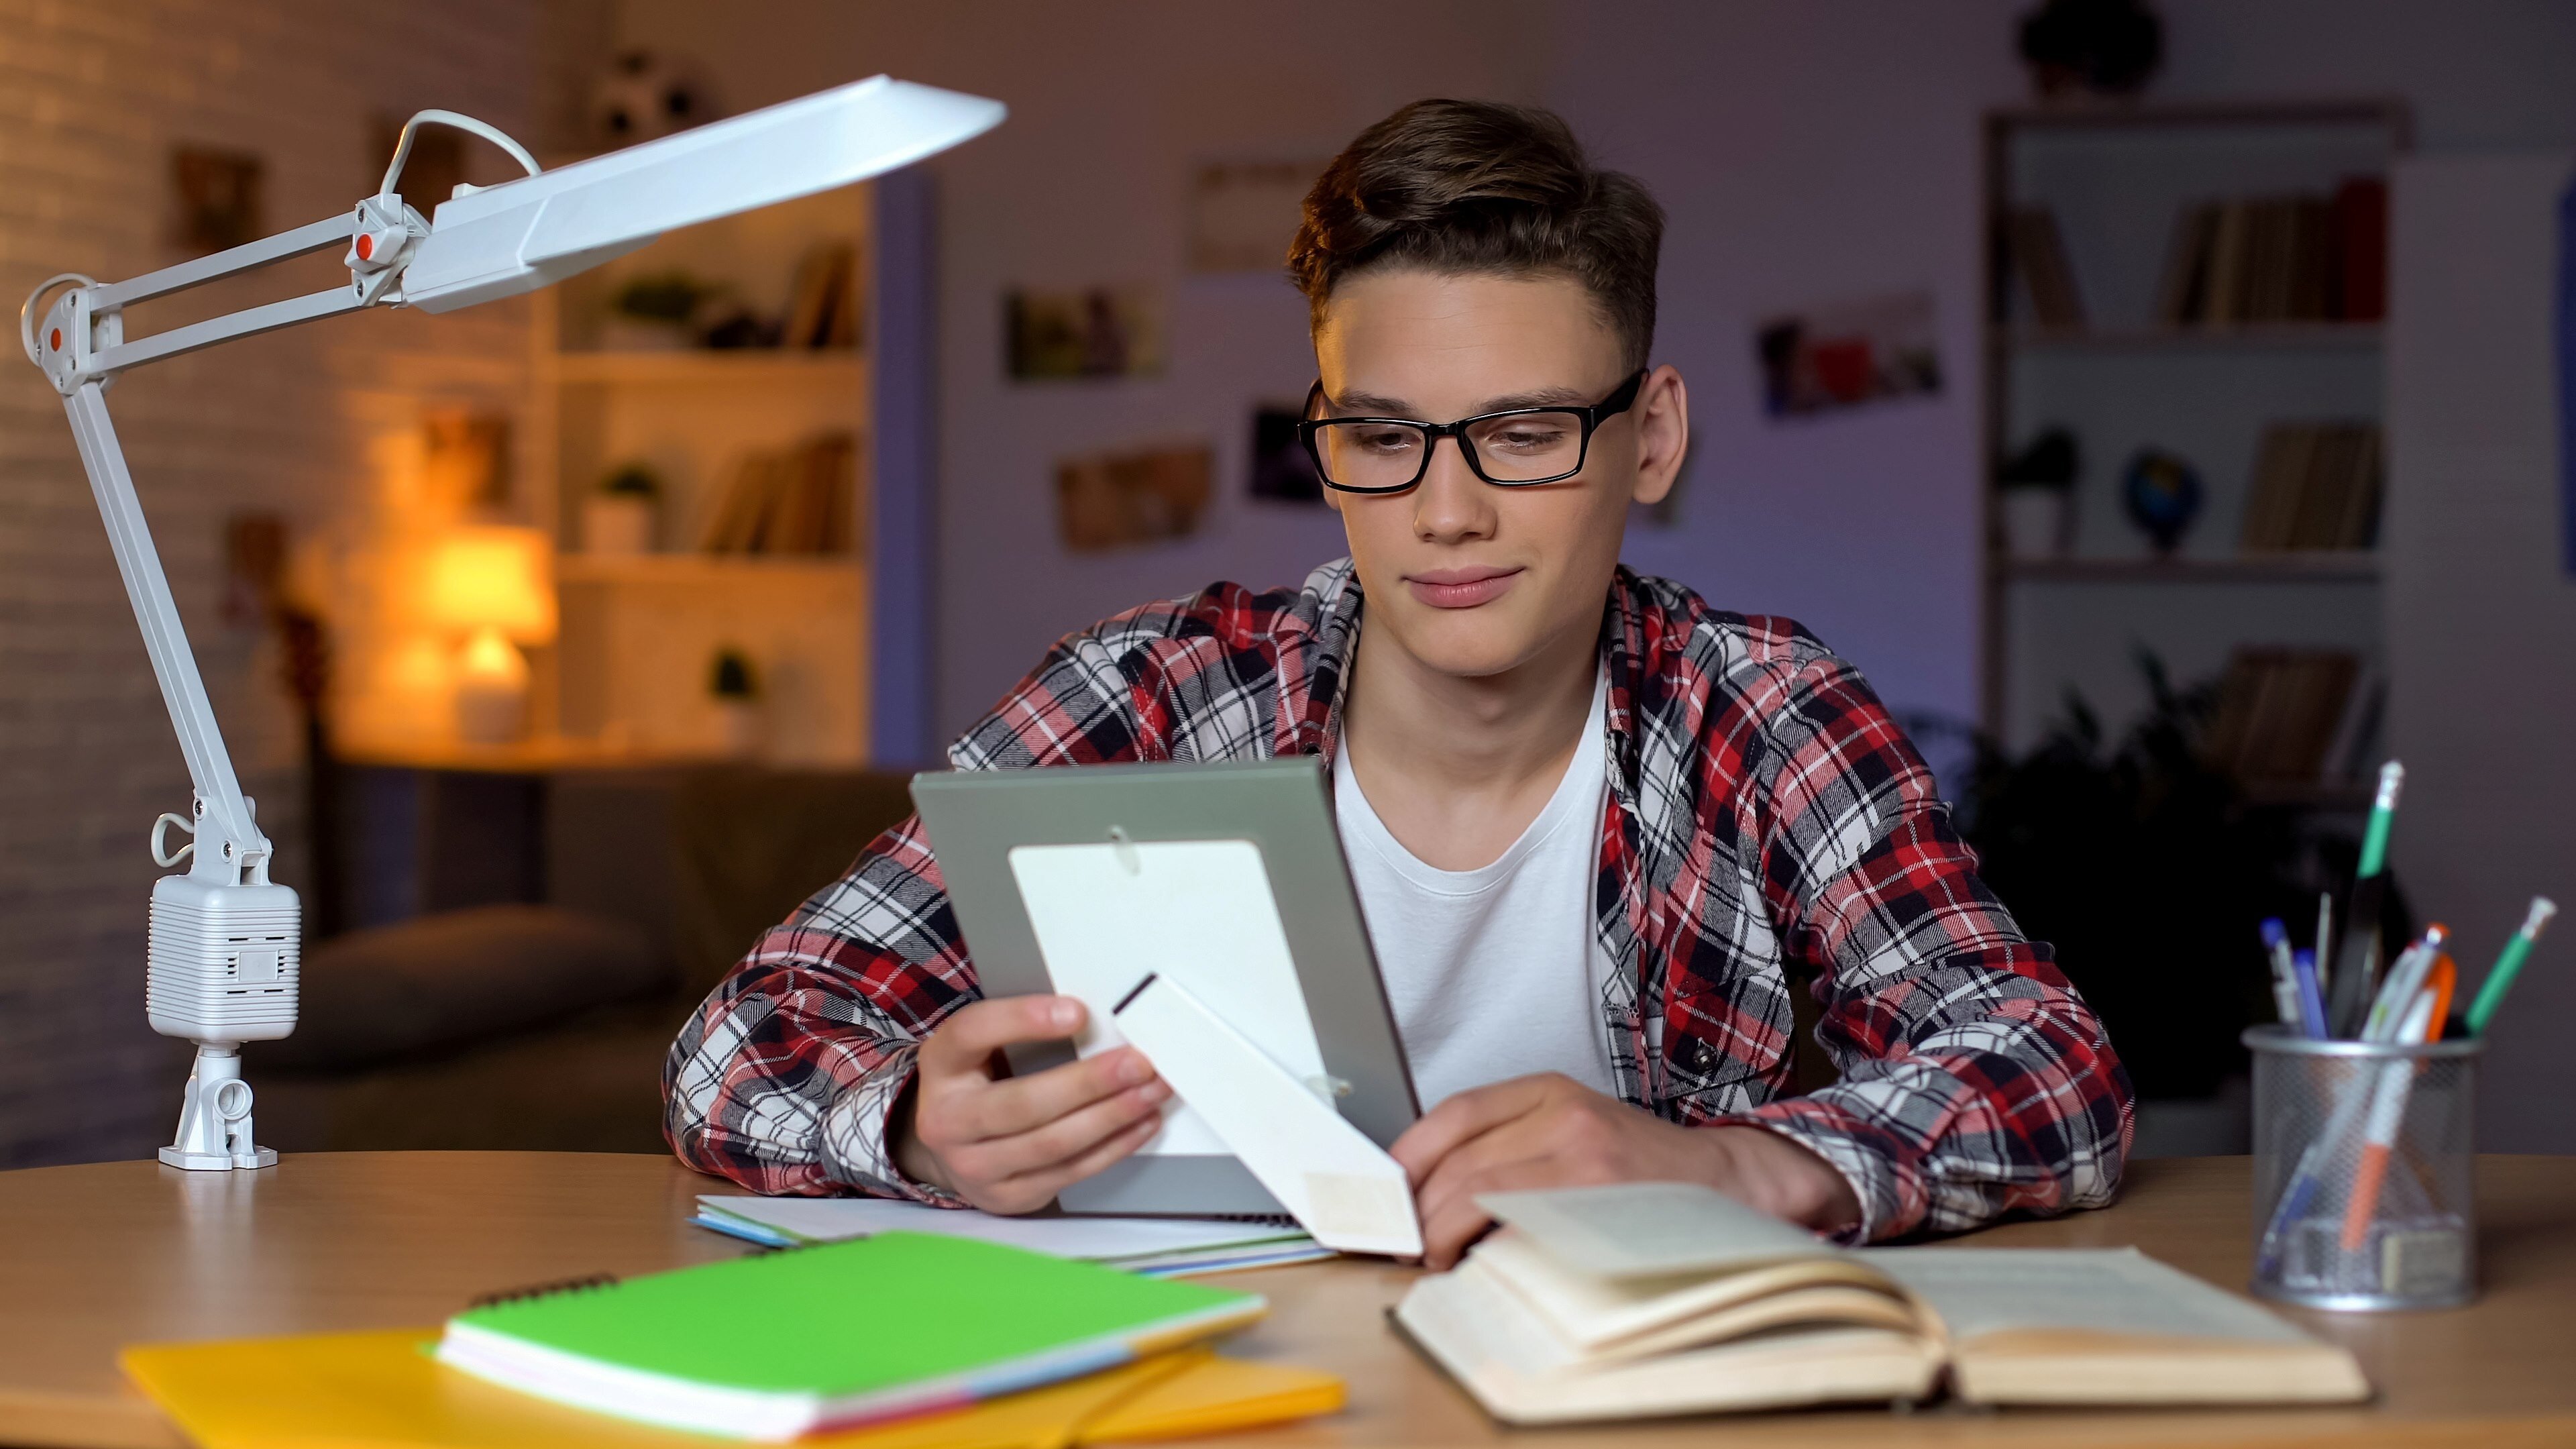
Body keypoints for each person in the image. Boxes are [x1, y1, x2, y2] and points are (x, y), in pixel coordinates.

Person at [664, 99, 2131, 1268]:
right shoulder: (1155, 692)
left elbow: (2049, 1066)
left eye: (1525, 430)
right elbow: (735, 1046)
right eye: (1382, 437)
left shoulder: (1760, 708)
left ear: (1655, 435)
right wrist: (915, 1126)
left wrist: (1738, 1165)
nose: (1446, 513)